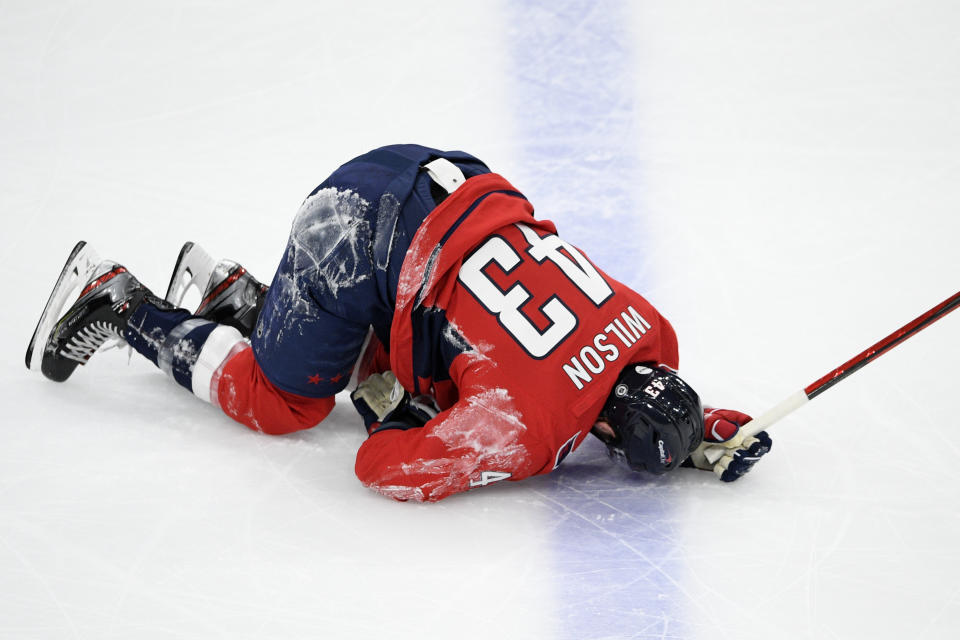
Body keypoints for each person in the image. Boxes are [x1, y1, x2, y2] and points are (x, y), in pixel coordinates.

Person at [26, 144, 772, 502]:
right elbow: (382, 469)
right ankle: (115, 300)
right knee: (283, 403)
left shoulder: (651, 329)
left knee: (425, 355)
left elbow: (593, 370)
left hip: (442, 178)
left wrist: (701, 425)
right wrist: (391, 419)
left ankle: (238, 298)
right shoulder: (528, 427)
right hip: (353, 231)